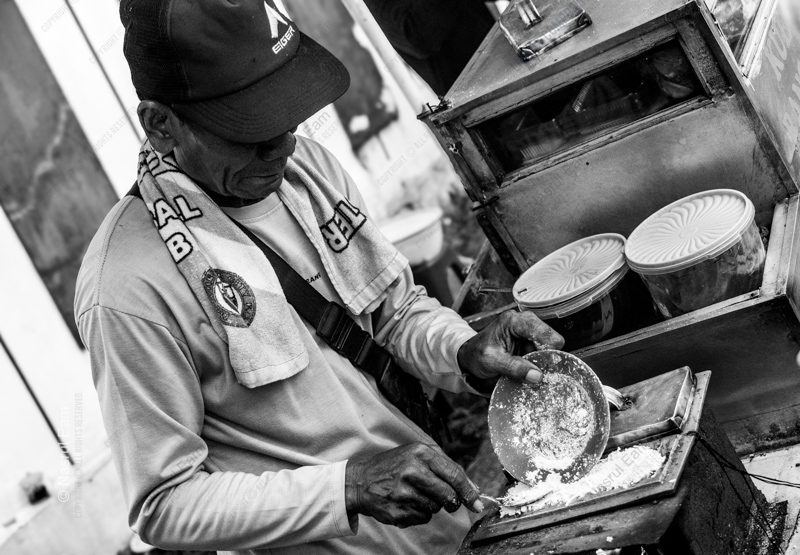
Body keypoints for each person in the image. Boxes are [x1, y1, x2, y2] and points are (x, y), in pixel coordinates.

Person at [74, 1, 563, 553]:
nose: (282, 147)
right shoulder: (126, 287)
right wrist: (347, 488)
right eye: (249, 128)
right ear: (162, 124)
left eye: (286, 117)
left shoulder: (310, 171)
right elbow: (166, 503)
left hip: (448, 529)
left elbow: (394, 312)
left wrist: (463, 351)